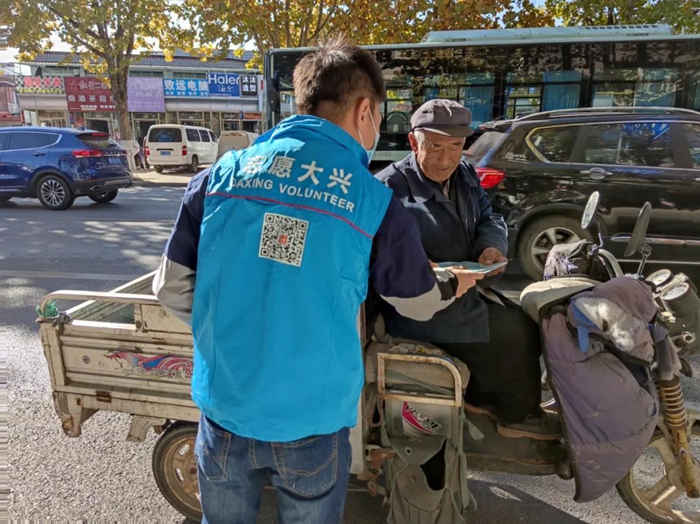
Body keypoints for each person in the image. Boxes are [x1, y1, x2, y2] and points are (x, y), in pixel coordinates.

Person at [153, 38, 483, 524]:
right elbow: (414, 301)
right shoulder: (371, 200)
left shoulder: (219, 176)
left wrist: (232, 339)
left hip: (224, 411)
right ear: (364, 111)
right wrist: (455, 284)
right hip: (312, 419)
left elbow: (171, 289)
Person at [375, 99, 558, 439]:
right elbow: (386, 269)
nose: (445, 159)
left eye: (455, 147)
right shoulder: (388, 190)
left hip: (464, 291)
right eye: (435, 147)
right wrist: (434, 274)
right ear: (414, 143)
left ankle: (484, 399)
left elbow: (490, 217)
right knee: (515, 333)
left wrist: (490, 247)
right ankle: (516, 416)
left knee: (530, 318)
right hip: (421, 306)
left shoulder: (465, 175)